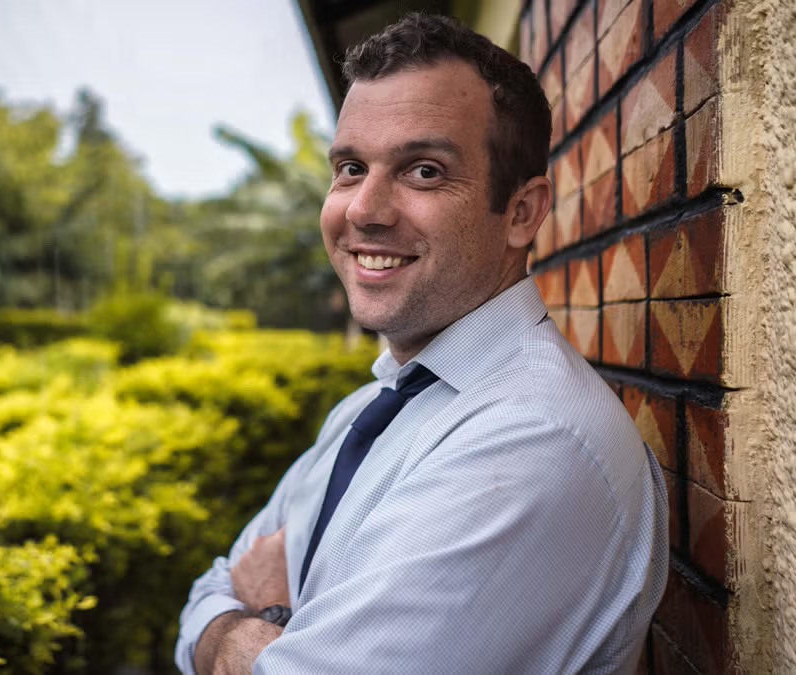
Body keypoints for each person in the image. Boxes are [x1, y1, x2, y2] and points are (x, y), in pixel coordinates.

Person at [175, 13, 668, 675]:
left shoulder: (531, 438)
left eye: (425, 171)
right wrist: (255, 631)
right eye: (351, 167)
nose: (364, 210)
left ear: (521, 212)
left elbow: (233, 620)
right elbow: (210, 591)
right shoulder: (365, 409)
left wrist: (255, 622)